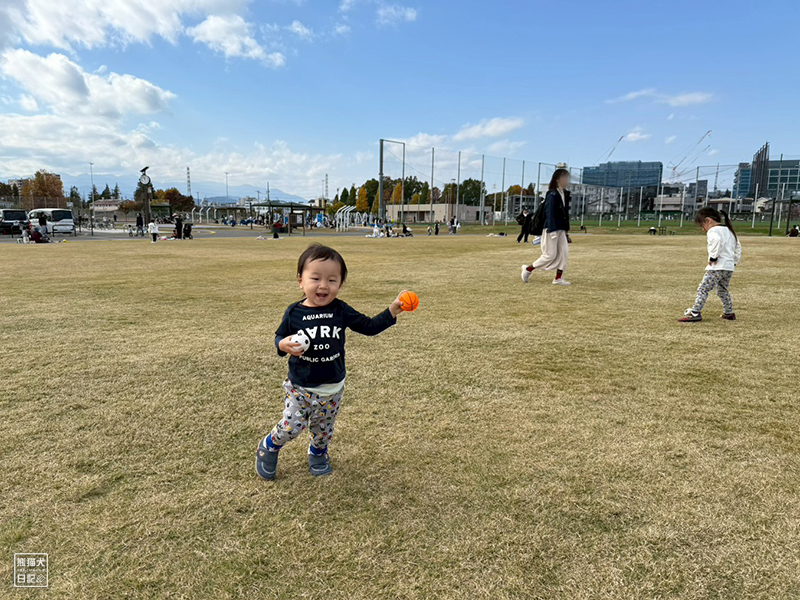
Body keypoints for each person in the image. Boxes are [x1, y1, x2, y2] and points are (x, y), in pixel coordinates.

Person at [255, 244, 411, 480]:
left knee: (323, 430)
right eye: (315, 278)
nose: (323, 285)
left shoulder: (340, 310)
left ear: (340, 284)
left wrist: (392, 310)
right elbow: (279, 336)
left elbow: (368, 326)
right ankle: (270, 445)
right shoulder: (294, 312)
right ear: (300, 280)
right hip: (300, 387)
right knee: (291, 427)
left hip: (332, 388)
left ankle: (318, 453)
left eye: (332, 280)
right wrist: (282, 345)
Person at [678, 207, 742, 322]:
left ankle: (695, 313)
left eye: (702, 226)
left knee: (703, 289)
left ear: (708, 221)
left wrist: (713, 257)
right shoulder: (730, 230)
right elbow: (738, 247)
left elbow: (716, 240)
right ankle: (729, 313)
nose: (703, 230)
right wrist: (735, 261)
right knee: (722, 289)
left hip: (717, 266)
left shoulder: (713, 231)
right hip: (729, 267)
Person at [521, 168, 572, 285]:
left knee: (564, 253)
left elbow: (565, 215)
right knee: (549, 255)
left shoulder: (565, 194)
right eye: (565, 178)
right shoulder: (552, 194)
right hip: (551, 228)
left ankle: (558, 278)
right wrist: (552, 230)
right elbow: (549, 213)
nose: (567, 181)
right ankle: (528, 269)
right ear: (558, 179)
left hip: (561, 229)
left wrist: (566, 232)